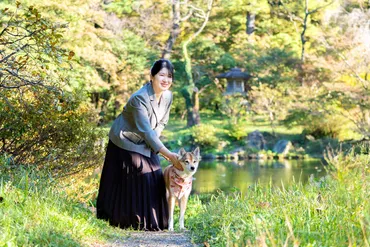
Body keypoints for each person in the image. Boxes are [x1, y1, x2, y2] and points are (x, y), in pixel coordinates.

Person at [96, 59, 182, 231]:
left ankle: (157, 220)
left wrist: (154, 145)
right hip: (125, 140)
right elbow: (146, 131)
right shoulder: (139, 98)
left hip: (147, 140)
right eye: (162, 75)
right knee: (143, 170)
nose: (166, 80)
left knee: (156, 172)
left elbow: (162, 123)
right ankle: (129, 219)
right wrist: (169, 155)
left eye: (169, 76)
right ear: (152, 76)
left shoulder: (168, 96)